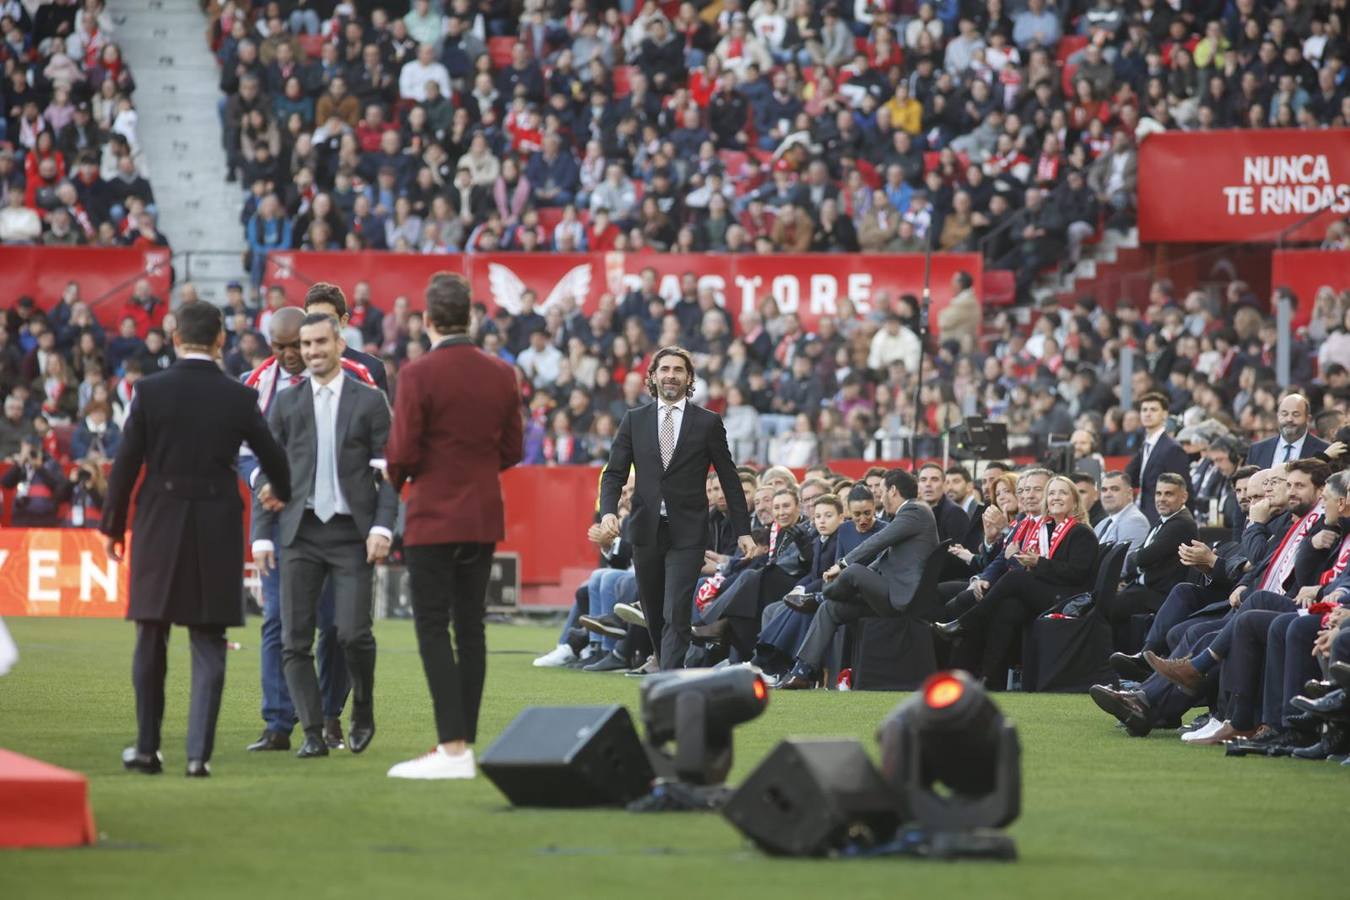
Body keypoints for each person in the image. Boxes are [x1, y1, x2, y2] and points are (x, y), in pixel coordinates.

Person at [102, 302, 291, 777]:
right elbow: (274, 457)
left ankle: (147, 749)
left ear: (174, 337)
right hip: (217, 525)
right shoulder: (239, 397)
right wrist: (280, 492)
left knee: (151, 634)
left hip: (158, 522)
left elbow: (125, 466)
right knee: (209, 639)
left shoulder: (149, 391)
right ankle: (197, 756)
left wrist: (111, 527)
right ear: (221, 340)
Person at [384, 273, 522, 780]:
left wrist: (399, 477)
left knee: (431, 626)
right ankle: (461, 743)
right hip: (482, 514)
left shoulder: (417, 373)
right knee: (471, 626)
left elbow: (401, 452)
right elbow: (512, 449)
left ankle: (453, 747)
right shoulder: (502, 373)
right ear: (471, 318)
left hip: (432, 516)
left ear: (426, 320)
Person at [251, 313, 397, 759]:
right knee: (293, 640)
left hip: (352, 535)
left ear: (338, 343)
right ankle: (312, 733)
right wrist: (261, 536)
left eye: (319, 342)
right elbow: (268, 476)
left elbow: (392, 474)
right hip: (300, 533)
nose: (311, 351)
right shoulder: (285, 403)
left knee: (353, 633)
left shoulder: (370, 401)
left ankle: (362, 710)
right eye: (306, 344)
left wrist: (382, 527)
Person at [597, 345, 755, 671]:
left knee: (676, 610)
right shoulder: (634, 420)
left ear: (689, 378)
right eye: (665, 369)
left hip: (688, 533)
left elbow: (729, 478)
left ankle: (668, 678)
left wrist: (743, 531)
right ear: (653, 377)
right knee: (654, 612)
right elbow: (614, 473)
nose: (671, 375)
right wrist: (609, 512)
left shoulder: (708, 422)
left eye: (678, 370)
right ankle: (667, 667)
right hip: (646, 530)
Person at [241, 308, 352, 753]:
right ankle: (278, 723)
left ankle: (327, 714)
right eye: (280, 346)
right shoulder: (255, 385)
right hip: (279, 520)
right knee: (277, 619)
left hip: (332, 522)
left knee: (335, 625)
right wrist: (262, 481)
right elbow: (242, 452)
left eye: (295, 346)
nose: (289, 354)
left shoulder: (348, 380)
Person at [774, 468, 939, 689]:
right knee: (831, 608)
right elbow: (884, 558)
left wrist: (842, 564)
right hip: (889, 595)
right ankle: (802, 672)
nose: (880, 496)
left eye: (882, 491)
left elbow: (879, 541)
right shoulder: (909, 514)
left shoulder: (915, 511)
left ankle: (820, 596)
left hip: (904, 598)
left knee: (853, 571)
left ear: (893, 490)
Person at [936, 474, 1099, 689]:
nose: (1056, 497)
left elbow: (1077, 573)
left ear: (1074, 501)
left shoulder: (1080, 531)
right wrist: (1031, 563)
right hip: (1047, 590)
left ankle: (965, 623)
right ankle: (988, 679)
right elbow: (1007, 561)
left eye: (1062, 493)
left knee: (1015, 578)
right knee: (1008, 608)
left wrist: (1037, 562)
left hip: (1069, 597)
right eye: (1052, 493)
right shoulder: (1050, 527)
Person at [1102, 473, 1198, 651]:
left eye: (1169, 494)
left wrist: (1135, 560)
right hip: (1144, 589)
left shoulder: (1181, 523)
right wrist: (1134, 565)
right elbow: (1141, 557)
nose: (1161, 499)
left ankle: (1109, 660)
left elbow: (1144, 557)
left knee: (1107, 606)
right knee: (1108, 599)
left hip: (1162, 595)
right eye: (1158, 493)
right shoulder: (1164, 520)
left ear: (1183, 497)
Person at [301, 282, 390, 395]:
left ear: (344, 320)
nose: (318, 326)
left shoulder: (371, 368)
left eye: (327, 319)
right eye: (311, 318)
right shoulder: (294, 368)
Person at [1125, 391, 1190, 523]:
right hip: (1143, 515)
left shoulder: (1172, 448)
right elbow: (1131, 477)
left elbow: (1182, 489)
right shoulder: (1145, 445)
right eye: (1144, 410)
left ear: (1165, 414)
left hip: (1161, 519)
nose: (1148, 414)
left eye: (1153, 410)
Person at [1246, 393, 1329, 467]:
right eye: (1284, 414)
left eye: (1296, 414)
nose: (1289, 419)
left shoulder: (1324, 450)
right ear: (1277, 416)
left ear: (1308, 419)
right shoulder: (1257, 450)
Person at [1094, 470, 1150, 550]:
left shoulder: (1135, 521)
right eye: (1104, 490)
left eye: (1115, 489)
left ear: (1129, 493)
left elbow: (1125, 557)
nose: (1107, 494)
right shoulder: (1101, 524)